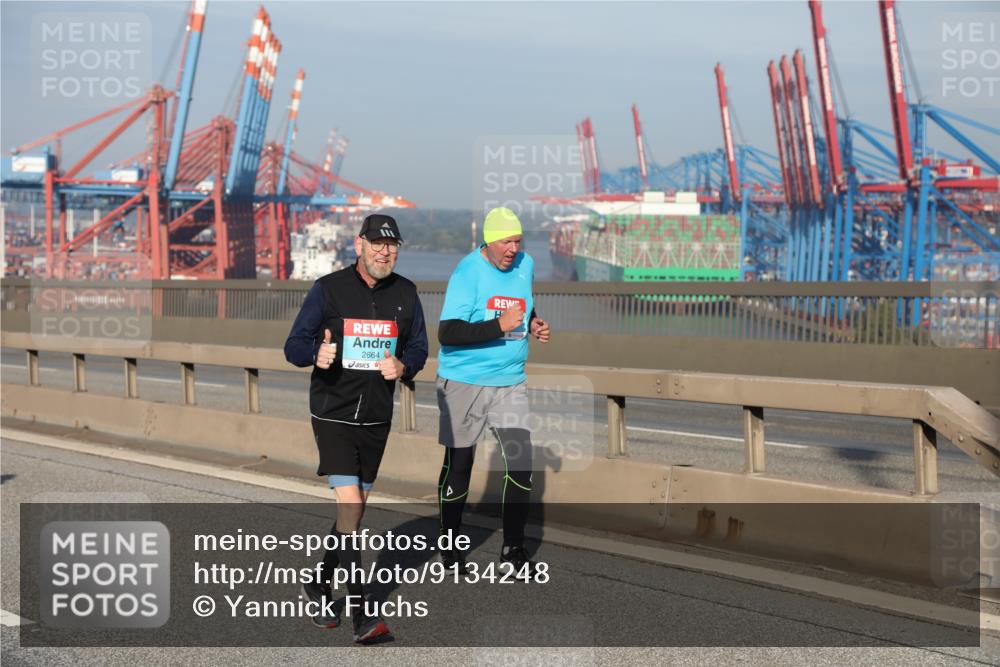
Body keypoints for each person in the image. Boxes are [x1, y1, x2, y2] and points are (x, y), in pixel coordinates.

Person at [284, 213, 428, 643]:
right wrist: (316, 354)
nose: (385, 251)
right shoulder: (329, 289)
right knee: (350, 505)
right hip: (334, 411)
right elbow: (293, 344)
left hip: (377, 416)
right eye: (377, 244)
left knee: (356, 509)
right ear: (359, 244)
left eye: (392, 245)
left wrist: (405, 366)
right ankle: (364, 615)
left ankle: (318, 582)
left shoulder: (406, 293)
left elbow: (419, 345)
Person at [435, 207, 550, 576]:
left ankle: (513, 551)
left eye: (518, 240)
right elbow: (448, 333)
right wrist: (498, 325)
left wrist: (533, 323)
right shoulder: (468, 272)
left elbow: (524, 302)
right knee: (460, 465)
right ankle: (449, 546)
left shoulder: (525, 264)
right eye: (506, 241)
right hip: (464, 381)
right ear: (489, 241)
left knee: (520, 464)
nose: (513, 249)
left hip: (510, 381)